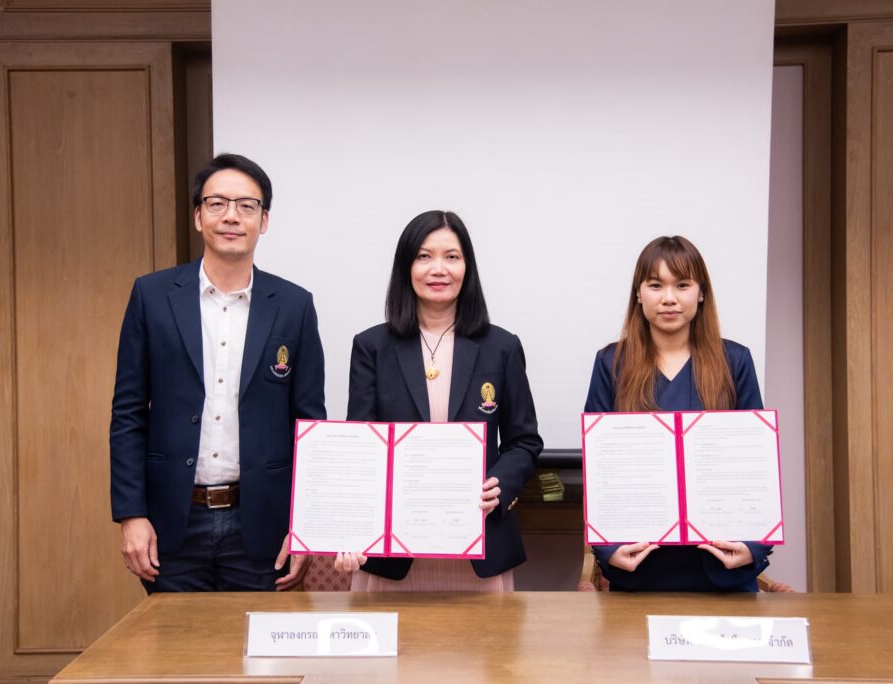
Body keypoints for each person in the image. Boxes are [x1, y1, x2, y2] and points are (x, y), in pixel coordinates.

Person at [110, 153, 326, 592]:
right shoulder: (152, 296)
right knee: (177, 656)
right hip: (172, 524)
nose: (232, 216)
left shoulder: (294, 306)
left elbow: (310, 426)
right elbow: (128, 413)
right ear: (198, 216)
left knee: (262, 658)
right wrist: (132, 515)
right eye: (217, 204)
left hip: (262, 525)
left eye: (247, 206)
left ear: (264, 221)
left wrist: (305, 527)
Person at [338, 210, 543, 590]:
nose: (438, 268)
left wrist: (499, 482)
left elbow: (524, 442)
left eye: (452, 256)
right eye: (423, 256)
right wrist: (350, 529)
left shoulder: (501, 347)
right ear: (406, 267)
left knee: (485, 649)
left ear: (468, 267)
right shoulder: (372, 347)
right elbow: (360, 451)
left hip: (478, 547)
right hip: (392, 554)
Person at [584, 235, 772, 591]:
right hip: (639, 563)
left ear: (701, 293)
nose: (669, 298)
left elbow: (754, 463)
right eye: (656, 285)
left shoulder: (735, 361)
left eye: (682, 285)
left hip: (723, 564)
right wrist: (607, 549)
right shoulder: (611, 363)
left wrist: (754, 547)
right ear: (638, 294)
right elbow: (598, 467)